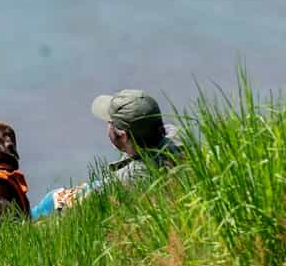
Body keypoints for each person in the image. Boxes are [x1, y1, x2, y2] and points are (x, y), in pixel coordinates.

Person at [32, 89, 181, 219]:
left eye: (109, 122)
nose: (107, 125)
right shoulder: (176, 135)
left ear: (123, 135)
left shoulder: (123, 181)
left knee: (49, 202)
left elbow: (80, 207)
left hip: (88, 193)